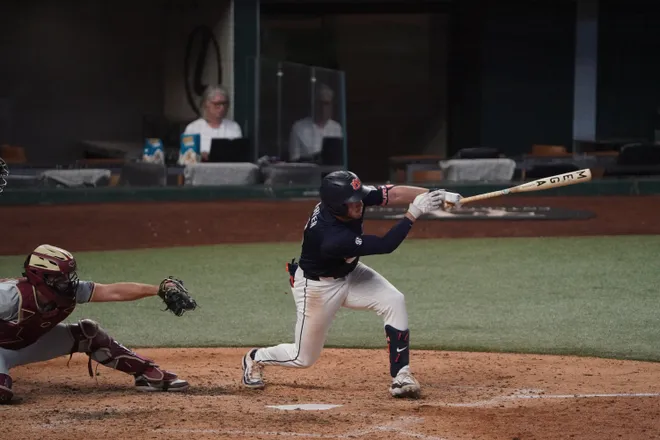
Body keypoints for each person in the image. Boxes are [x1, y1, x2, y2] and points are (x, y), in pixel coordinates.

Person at [241, 171, 462, 398]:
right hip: (318, 288)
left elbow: (393, 193)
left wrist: (435, 195)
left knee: (394, 300)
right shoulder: (331, 237)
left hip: (350, 272)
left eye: (359, 197)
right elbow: (386, 244)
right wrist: (414, 212)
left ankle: (401, 375)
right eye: (353, 202)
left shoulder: (348, 199)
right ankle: (255, 357)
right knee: (303, 358)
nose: (359, 204)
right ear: (338, 206)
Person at [0, 244, 197, 404]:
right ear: (39, 277)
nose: (68, 281)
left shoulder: (70, 291)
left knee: (88, 333)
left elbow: (112, 291)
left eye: (68, 275)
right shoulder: (8, 297)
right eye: (60, 277)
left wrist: (159, 289)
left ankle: (146, 374)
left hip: (24, 345)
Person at [183, 85, 243, 161]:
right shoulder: (193, 128)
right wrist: (200, 156)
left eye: (224, 104)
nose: (222, 108)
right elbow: (186, 158)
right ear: (206, 104)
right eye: (217, 104)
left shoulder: (234, 127)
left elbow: (239, 156)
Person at [288, 84, 343, 163]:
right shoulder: (298, 128)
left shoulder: (337, 128)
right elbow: (293, 161)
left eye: (327, 104)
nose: (323, 108)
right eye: (320, 103)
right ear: (314, 104)